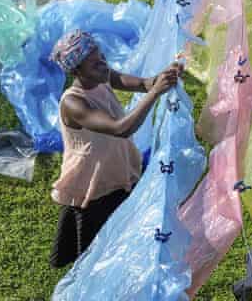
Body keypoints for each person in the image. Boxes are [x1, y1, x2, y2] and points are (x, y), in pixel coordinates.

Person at [48, 29, 182, 268]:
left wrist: (164, 77)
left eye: (101, 57)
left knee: (121, 234)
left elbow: (143, 83)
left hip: (116, 172)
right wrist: (154, 93)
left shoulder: (103, 76)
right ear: (77, 70)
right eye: (94, 63)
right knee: (95, 252)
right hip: (92, 182)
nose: (103, 64)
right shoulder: (73, 102)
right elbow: (120, 128)